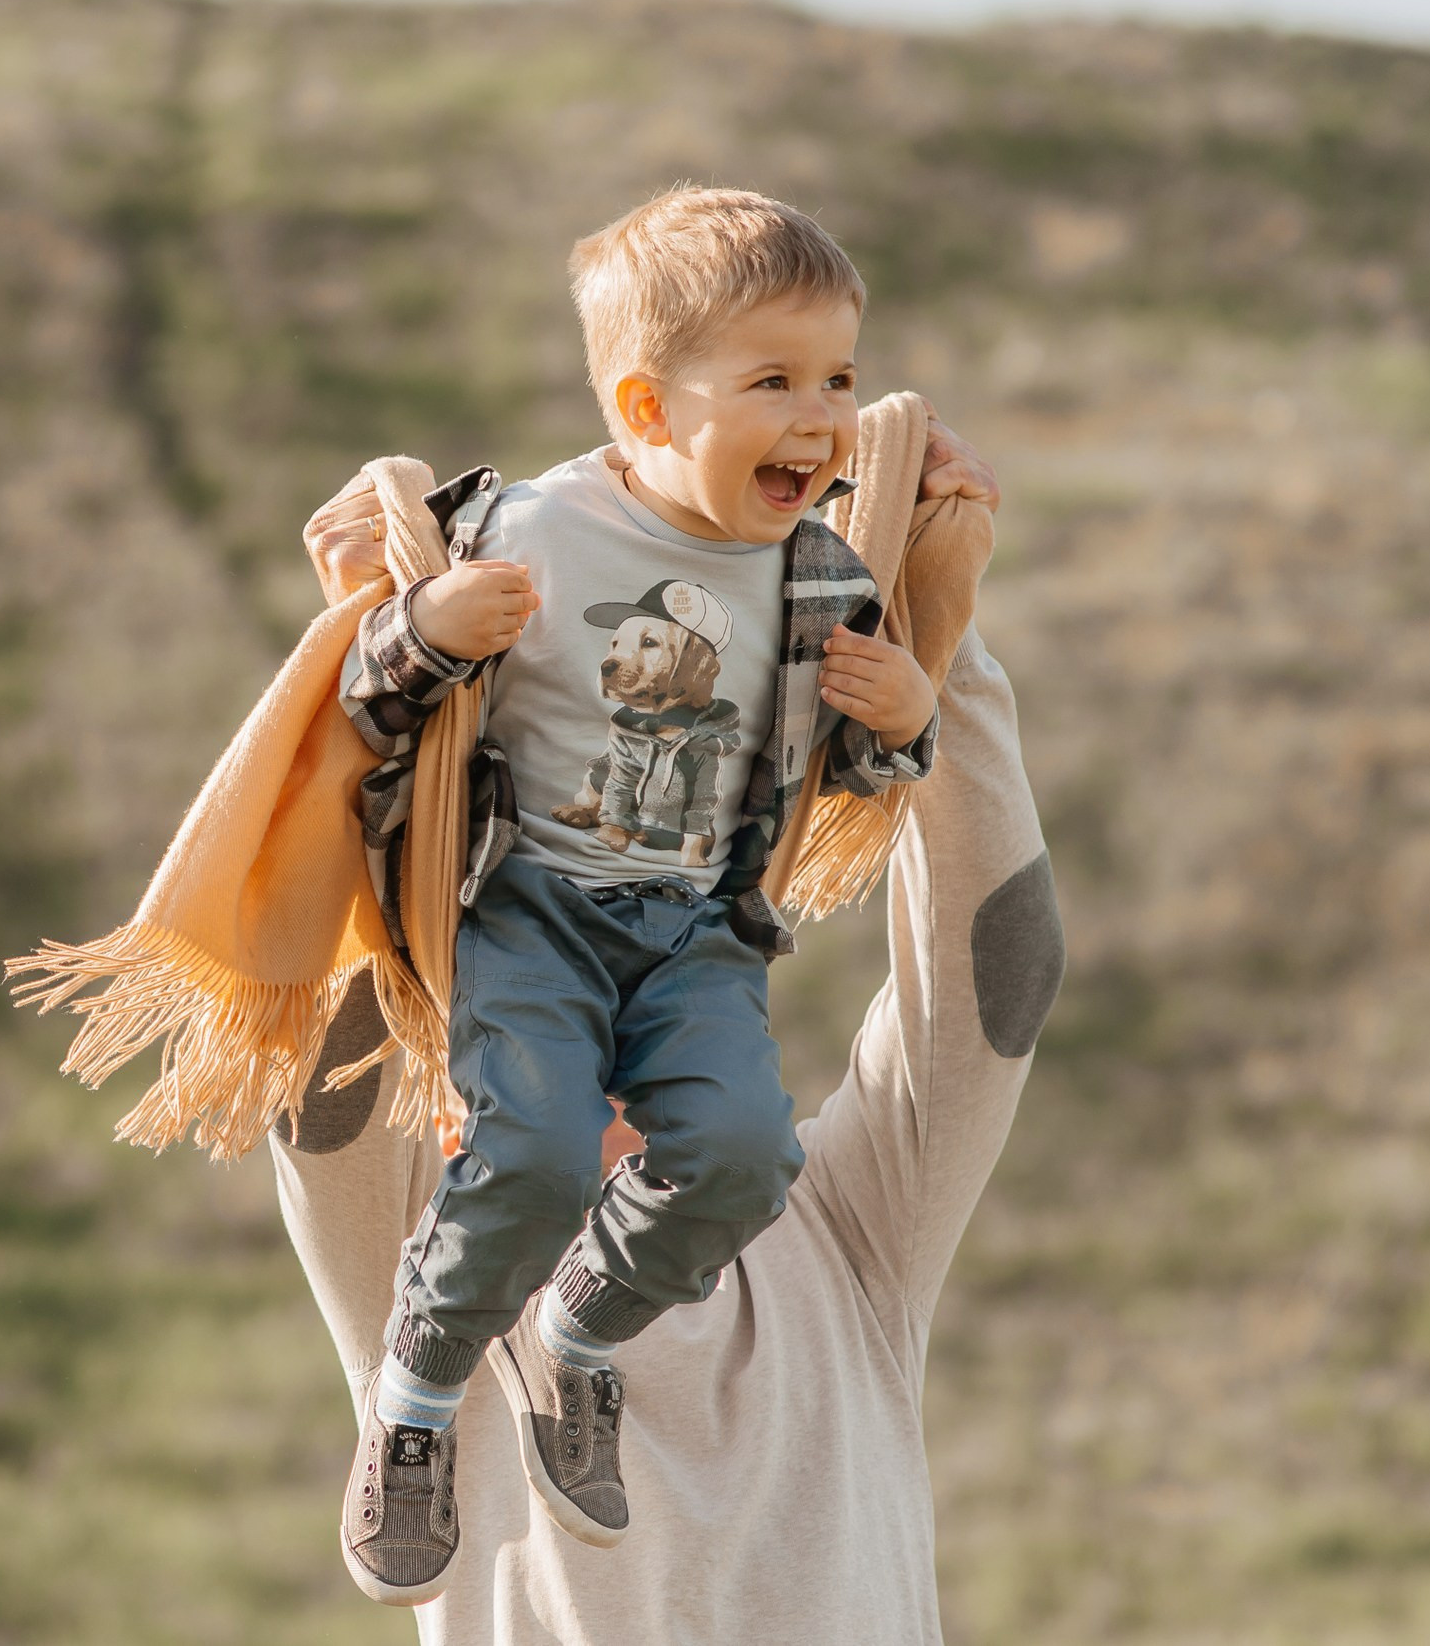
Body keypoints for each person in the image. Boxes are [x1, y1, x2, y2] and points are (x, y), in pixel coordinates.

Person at [287, 412, 1056, 1642]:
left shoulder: (843, 1232)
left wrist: (926, 640)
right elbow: (316, 1048)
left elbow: (996, 975)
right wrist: (368, 671)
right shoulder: (427, 1268)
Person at [327, 188, 945, 1603]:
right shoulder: (523, 530)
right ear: (650, 408)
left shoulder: (817, 575)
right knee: (534, 1161)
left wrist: (904, 705)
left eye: (840, 379)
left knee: (742, 1155)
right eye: (776, 381)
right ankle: (416, 1400)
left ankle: (580, 1346)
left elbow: (872, 756)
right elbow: (366, 708)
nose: (823, 418)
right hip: (531, 908)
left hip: (692, 929)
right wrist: (422, 627)